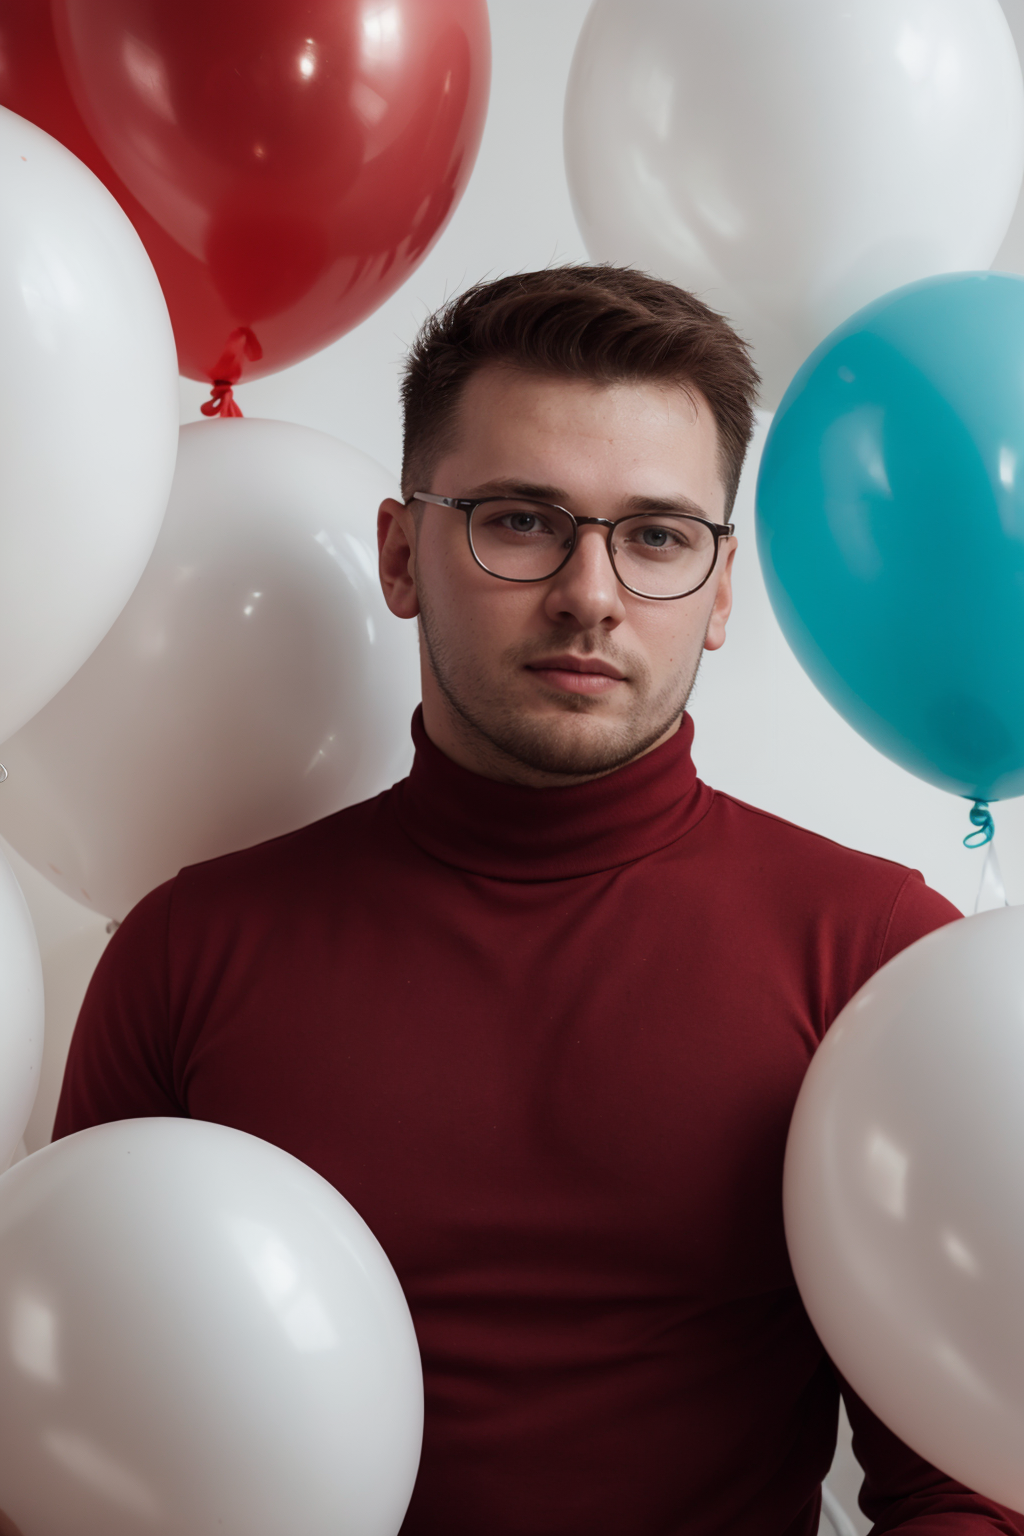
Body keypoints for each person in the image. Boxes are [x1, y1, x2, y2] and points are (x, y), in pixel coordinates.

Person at [55, 266, 1023, 1536]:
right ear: (402, 553)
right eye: (519, 519)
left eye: (659, 535)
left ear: (721, 592)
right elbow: (67, 1430)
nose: (591, 591)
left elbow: (963, 1486)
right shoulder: (188, 953)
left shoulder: (873, 961)